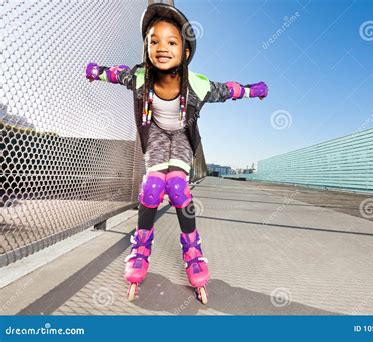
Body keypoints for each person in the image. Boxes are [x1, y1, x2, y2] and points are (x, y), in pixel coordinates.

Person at [85, 3, 268, 304]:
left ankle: (193, 251)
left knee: (179, 188)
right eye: (154, 41)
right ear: (146, 47)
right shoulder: (142, 76)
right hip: (156, 133)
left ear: (184, 52)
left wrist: (253, 90)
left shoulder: (196, 83)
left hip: (181, 137)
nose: (161, 48)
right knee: (154, 186)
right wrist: (96, 73)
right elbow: (116, 74)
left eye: (171, 42)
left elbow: (228, 90)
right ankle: (141, 247)